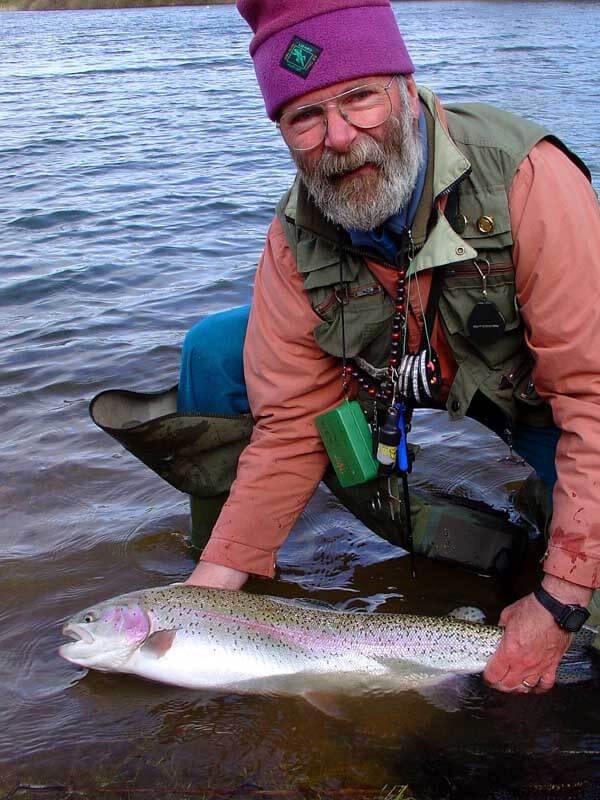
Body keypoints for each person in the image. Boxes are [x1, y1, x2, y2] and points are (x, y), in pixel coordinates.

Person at [175, 0, 599, 693]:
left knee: (588, 621)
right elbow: (287, 429)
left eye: (360, 97)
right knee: (218, 350)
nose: (339, 137)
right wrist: (209, 591)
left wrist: (559, 600)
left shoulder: (528, 178)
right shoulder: (292, 239)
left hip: (542, 397)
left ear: (406, 88)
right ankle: (226, 559)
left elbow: (595, 395)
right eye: (303, 117)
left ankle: (545, 530)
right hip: (398, 376)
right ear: (280, 132)